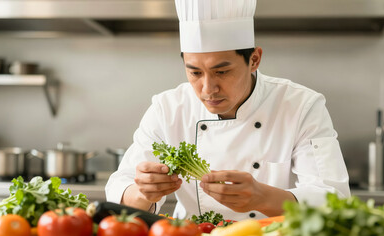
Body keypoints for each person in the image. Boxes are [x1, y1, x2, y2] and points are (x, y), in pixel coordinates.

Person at [105, 0, 350, 220]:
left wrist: (263, 197)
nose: (208, 89)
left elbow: (334, 200)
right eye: (195, 73)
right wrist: (143, 192)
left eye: (221, 72)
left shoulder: (300, 106)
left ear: (254, 59)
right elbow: (120, 191)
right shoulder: (167, 108)